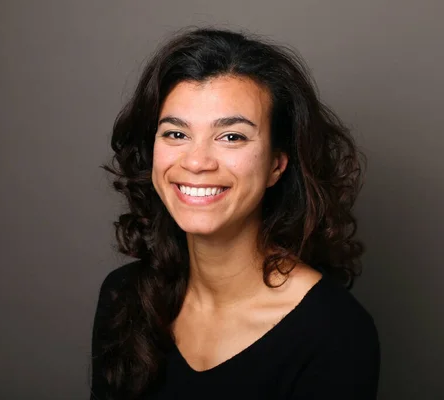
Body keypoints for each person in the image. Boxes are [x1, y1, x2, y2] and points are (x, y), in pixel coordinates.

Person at [91, 27, 380, 400]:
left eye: (232, 137)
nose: (196, 162)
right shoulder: (124, 295)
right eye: (176, 134)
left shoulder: (335, 332)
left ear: (277, 164)